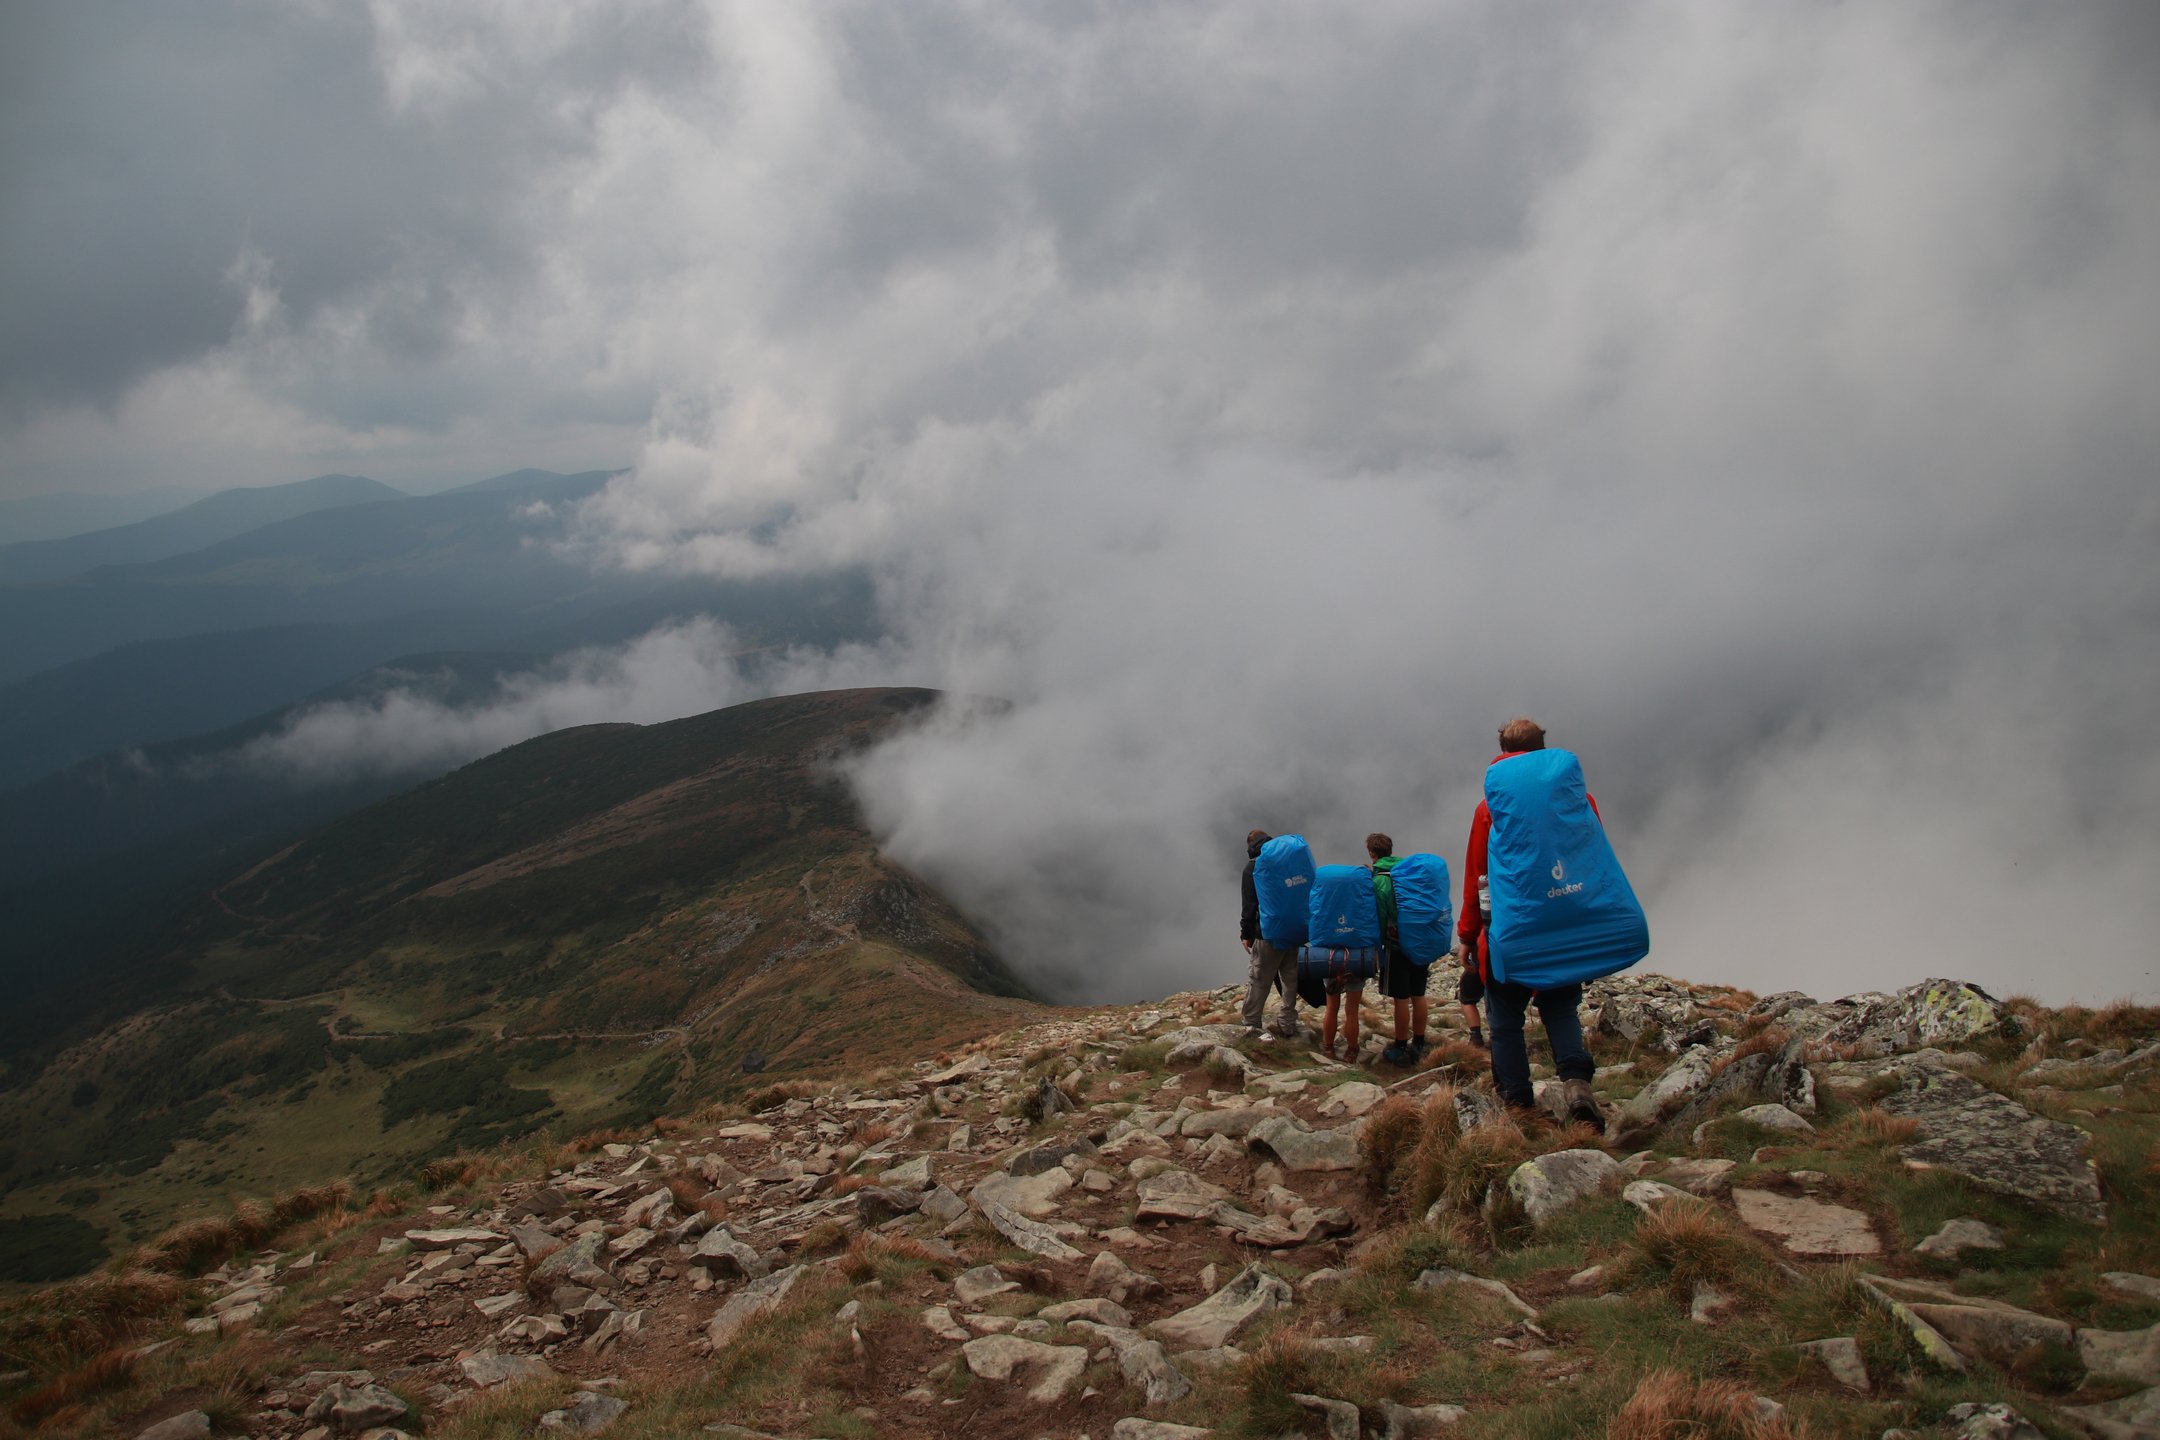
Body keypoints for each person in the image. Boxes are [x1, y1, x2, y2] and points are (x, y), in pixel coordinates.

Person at [1452, 717, 1603, 1126]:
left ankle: (1518, 1105)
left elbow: (1478, 876)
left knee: (1504, 1022)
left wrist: (1467, 935)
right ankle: (1577, 1086)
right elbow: (1593, 859)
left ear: (1503, 750)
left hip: (1510, 931)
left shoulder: (1490, 807)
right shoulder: (1580, 799)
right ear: (1543, 748)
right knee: (1562, 1010)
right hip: (1565, 923)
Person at [1369, 833, 1428, 1067]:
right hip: (1420, 940)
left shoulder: (1380, 881)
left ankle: (1401, 1046)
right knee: (1418, 994)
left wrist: (1377, 943)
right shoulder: (1408, 872)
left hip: (1397, 945)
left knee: (1401, 998)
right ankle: (1420, 1042)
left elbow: (1381, 916)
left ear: (1372, 854)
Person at [1240, 829, 1300, 1039]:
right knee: (1290, 979)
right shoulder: (1287, 861)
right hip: (1294, 929)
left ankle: (1251, 1024)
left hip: (1268, 933)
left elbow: (1249, 906)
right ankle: (1288, 1023)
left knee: (1260, 978)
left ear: (1250, 845)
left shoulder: (1253, 868)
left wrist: (1245, 934)